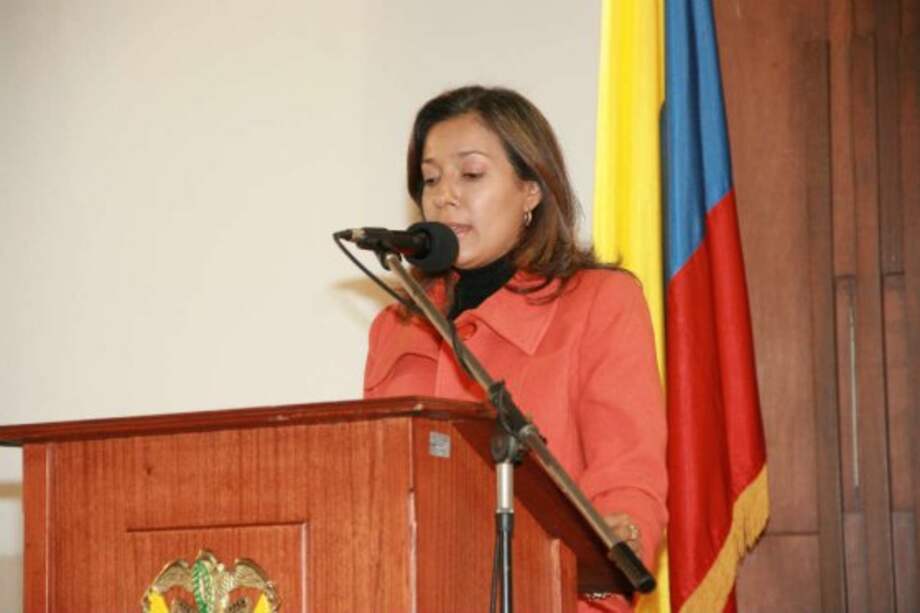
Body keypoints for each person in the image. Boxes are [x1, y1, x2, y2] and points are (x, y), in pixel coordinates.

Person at [363, 85, 667, 612]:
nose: (444, 195)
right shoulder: (398, 323)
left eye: (472, 174)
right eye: (431, 178)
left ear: (531, 188)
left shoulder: (599, 302)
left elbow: (627, 476)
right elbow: (375, 488)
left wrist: (620, 542)